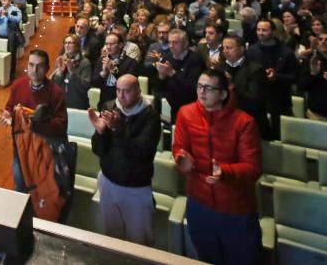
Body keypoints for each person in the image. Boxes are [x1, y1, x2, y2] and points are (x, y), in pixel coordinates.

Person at [174, 68, 262, 265]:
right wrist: (182, 159)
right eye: (199, 86)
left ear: (223, 94)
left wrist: (226, 172)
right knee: (207, 258)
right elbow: (179, 147)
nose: (202, 92)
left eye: (209, 88)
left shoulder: (244, 122)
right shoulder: (186, 113)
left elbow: (253, 167)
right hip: (199, 203)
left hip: (235, 208)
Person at [88, 74, 161, 245]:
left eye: (126, 91)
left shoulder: (150, 117)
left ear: (138, 91)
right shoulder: (110, 107)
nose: (120, 96)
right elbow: (98, 150)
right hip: (108, 181)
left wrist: (118, 129)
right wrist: (100, 133)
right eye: (118, 90)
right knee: (112, 236)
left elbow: (141, 152)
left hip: (135, 188)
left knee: (139, 241)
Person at [2, 49, 68, 193]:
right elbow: (10, 107)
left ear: (47, 69)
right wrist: (9, 114)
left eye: (40, 66)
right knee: (20, 183)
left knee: (42, 190)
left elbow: (61, 126)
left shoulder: (56, 93)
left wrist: (34, 124)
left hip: (44, 149)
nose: (34, 70)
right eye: (31, 65)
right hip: (21, 146)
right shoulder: (18, 85)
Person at [245, 19, 298, 139]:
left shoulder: (286, 52)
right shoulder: (252, 51)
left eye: (264, 30)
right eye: (258, 30)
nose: (260, 33)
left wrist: (277, 77)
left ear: (273, 32)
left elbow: (294, 77)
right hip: (259, 102)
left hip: (280, 102)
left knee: (282, 137)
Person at [220, 34, 269, 137]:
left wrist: (232, 86)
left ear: (242, 49)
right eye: (223, 48)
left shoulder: (256, 70)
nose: (225, 51)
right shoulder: (221, 68)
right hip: (225, 122)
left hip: (250, 124)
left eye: (229, 48)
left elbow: (255, 100)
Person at [154, 28, 202, 122]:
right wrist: (161, 76)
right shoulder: (167, 58)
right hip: (171, 107)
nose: (171, 46)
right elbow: (158, 89)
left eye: (175, 42)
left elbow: (193, 87)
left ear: (185, 43)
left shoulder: (196, 60)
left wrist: (172, 73)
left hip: (190, 108)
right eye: (170, 42)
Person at [50, 36, 93, 110]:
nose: (67, 45)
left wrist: (72, 73)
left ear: (77, 46)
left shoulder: (85, 62)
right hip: (61, 103)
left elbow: (84, 87)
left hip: (78, 104)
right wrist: (59, 73)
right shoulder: (60, 60)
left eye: (70, 43)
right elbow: (54, 85)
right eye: (65, 43)